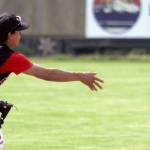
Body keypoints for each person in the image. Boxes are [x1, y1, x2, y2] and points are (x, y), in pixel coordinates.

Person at [0, 12, 104, 149]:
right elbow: (47, 74)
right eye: (19, 31)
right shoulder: (11, 58)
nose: (21, 35)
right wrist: (79, 76)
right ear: (9, 35)